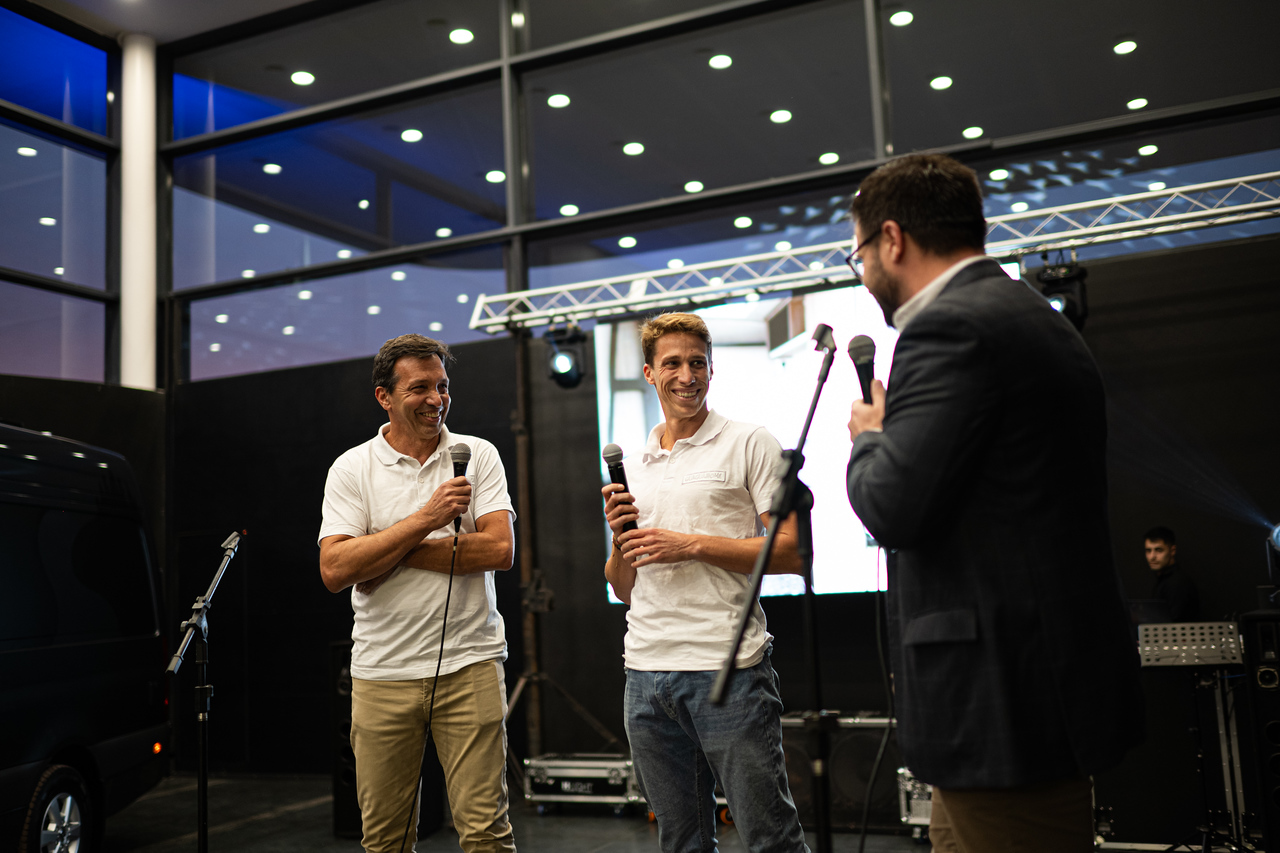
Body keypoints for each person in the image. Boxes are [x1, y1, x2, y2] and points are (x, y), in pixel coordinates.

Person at [843, 154, 1143, 853]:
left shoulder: (950, 328)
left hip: (1005, 699)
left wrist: (869, 438)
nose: (863, 272)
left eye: (859, 254)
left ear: (892, 239)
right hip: (1032, 687)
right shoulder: (1026, 312)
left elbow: (892, 507)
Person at [600, 312, 810, 853]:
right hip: (645, 676)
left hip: (729, 669)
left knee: (770, 839)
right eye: (672, 363)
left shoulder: (750, 442)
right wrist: (621, 541)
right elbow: (623, 587)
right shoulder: (634, 465)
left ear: (712, 370)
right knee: (681, 842)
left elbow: (792, 551)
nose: (686, 375)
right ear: (650, 373)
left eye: (697, 363)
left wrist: (690, 544)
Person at [319, 334, 517, 853]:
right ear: (384, 396)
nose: (437, 399)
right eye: (420, 388)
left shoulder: (477, 454)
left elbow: (499, 550)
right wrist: (427, 519)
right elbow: (335, 569)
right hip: (381, 673)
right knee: (385, 841)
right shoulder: (352, 468)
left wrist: (384, 550)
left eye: (443, 386)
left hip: (470, 664)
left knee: (487, 835)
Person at [1145, 526, 1199, 621]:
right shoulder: (1165, 580)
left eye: (1158, 550)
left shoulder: (1177, 582)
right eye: (1148, 550)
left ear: (1172, 551)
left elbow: (1172, 624)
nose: (1152, 556)